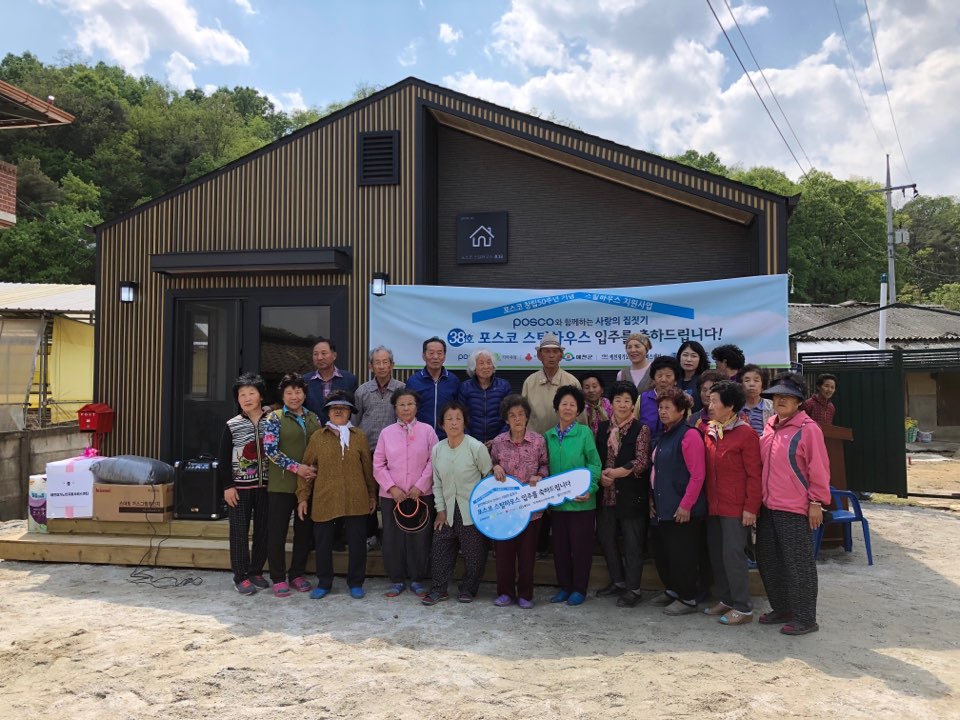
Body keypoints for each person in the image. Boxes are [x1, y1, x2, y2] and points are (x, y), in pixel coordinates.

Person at [756, 372, 831, 636]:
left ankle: (806, 618)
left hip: (795, 508)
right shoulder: (770, 425)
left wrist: (816, 502)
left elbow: (819, 468)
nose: (781, 400)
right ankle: (782, 608)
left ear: (799, 401)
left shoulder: (808, 429)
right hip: (768, 506)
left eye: (787, 396)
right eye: (777, 395)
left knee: (798, 564)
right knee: (768, 559)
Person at [297, 391, 377, 600]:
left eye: (343, 408)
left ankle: (356, 582)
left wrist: (371, 495)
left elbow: (367, 469)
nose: (339, 411)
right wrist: (303, 497)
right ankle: (324, 582)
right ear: (328, 412)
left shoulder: (359, 437)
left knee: (357, 542)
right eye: (334, 408)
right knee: (323, 542)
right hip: (325, 497)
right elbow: (307, 468)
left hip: (356, 497)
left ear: (350, 412)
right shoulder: (318, 437)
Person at [702, 381, 762, 626]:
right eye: (710, 400)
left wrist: (751, 508)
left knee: (733, 556)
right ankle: (726, 599)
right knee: (717, 555)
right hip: (713, 505)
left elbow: (755, 475)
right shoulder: (711, 430)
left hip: (736, 508)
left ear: (730, 406)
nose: (710, 405)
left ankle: (743, 607)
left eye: (715, 401)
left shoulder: (746, 434)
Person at [422, 402, 493, 606]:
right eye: (449, 419)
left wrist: (482, 509)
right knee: (440, 549)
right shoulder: (438, 449)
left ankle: (468, 589)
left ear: (465, 422)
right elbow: (437, 483)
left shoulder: (475, 447)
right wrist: (440, 510)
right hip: (447, 510)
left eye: (458, 418)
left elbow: (488, 478)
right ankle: (439, 589)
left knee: (474, 553)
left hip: (472, 510)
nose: (454, 423)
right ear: (442, 424)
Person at [373, 388, 438, 599]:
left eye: (410, 404)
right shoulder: (386, 433)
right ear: (395, 408)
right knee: (392, 537)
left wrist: (420, 486)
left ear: (416, 407)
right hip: (392, 496)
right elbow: (378, 464)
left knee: (420, 536)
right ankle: (397, 579)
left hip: (421, 494)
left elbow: (434, 460)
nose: (406, 408)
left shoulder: (428, 431)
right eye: (401, 404)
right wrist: (392, 487)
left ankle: (417, 579)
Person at [649, 387, 706, 616]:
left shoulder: (689, 435)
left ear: (681, 411)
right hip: (663, 505)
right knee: (666, 553)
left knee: (683, 555)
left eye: (668, 408)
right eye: (660, 407)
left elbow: (698, 475)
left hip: (682, 509)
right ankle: (673, 590)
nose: (662, 411)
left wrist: (686, 505)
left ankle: (688, 598)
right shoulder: (664, 434)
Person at [262, 373, 321, 597]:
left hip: (307, 486)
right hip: (282, 485)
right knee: (277, 532)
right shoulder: (274, 418)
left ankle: (297, 574)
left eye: (298, 392)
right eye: (289, 392)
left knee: (303, 533)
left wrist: (313, 469)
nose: (294, 396)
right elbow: (270, 451)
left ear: (304, 394)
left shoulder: (314, 418)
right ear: (283, 395)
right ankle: (278, 577)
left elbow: (321, 448)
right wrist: (298, 468)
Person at [594, 381, 651, 608]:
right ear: (611, 403)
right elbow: (595, 458)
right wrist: (600, 476)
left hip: (631, 495)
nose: (622, 404)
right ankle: (617, 581)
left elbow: (642, 461)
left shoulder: (641, 429)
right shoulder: (602, 428)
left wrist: (617, 473)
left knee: (632, 544)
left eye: (627, 400)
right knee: (607, 539)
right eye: (618, 400)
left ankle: (633, 589)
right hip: (605, 494)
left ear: (633, 404)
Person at [489, 394, 549, 609]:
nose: (517, 419)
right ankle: (505, 592)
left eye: (521, 414)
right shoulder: (498, 442)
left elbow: (545, 465)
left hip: (530, 509)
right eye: (512, 415)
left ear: (527, 417)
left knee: (527, 555)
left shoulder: (538, 441)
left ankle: (525, 594)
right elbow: (491, 465)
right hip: (504, 508)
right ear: (506, 419)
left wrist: (539, 476)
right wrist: (495, 467)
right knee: (504, 554)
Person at [546, 385, 602, 607]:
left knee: (581, 549)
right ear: (557, 407)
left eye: (572, 405)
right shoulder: (548, 436)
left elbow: (594, 464)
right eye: (564, 404)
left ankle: (579, 589)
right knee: (560, 549)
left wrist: (591, 488)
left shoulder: (584, 433)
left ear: (578, 410)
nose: (568, 408)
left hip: (582, 504)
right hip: (558, 504)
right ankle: (565, 587)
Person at [217, 373, 272, 595]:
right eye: (242, 395)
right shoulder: (232, 425)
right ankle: (240, 576)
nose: (247, 398)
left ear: (261, 396)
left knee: (263, 531)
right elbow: (223, 459)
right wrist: (227, 487)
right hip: (239, 488)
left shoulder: (273, 421)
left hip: (267, 486)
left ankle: (256, 571)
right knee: (239, 532)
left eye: (252, 393)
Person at [521, 333, 583, 436]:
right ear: (539, 355)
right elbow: (523, 414)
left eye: (555, 351)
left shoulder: (572, 382)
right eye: (546, 351)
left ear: (561, 355)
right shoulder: (529, 382)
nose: (551, 355)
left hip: (565, 441)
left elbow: (581, 418)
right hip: (535, 441)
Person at [406, 337, 461, 439]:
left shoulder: (453, 381)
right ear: (424, 356)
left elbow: (459, 410)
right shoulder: (413, 381)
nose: (435, 357)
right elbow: (407, 411)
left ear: (444, 357)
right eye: (431, 353)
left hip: (447, 438)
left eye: (439, 353)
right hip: (420, 437)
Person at [354, 346, 405, 449]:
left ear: (392, 365)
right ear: (371, 366)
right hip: (366, 448)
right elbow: (354, 421)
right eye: (377, 362)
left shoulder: (402, 389)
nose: (381, 366)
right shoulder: (362, 391)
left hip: (394, 449)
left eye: (385, 362)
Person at [457, 348, 512, 444]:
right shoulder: (465, 387)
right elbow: (460, 416)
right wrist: (471, 440)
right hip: (471, 442)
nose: (486, 366)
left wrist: (498, 440)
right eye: (481, 363)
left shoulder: (504, 386)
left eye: (489, 362)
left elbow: (510, 415)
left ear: (493, 366)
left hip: (500, 442)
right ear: (474, 368)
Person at [304, 338, 359, 422]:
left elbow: (354, 412)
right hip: (313, 429)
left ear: (334, 356)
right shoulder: (305, 380)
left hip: (341, 429)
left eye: (324, 353)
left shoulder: (350, 379)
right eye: (315, 354)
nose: (319, 357)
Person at [635, 355, 682, 442]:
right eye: (659, 375)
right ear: (653, 379)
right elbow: (634, 424)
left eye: (668, 376)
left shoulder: (682, 399)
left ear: (675, 380)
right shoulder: (642, 398)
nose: (663, 380)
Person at [740, 364, 774, 436]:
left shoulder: (772, 407)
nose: (751, 384)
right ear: (741, 385)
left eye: (756, 380)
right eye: (747, 380)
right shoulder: (735, 407)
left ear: (763, 384)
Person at [676, 340, 710, 411]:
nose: (688, 359)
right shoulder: (673, 379)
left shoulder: (706, 380)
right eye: (685, 355)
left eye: (694, 356)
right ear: (679, 357)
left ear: (700, 359)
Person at [581, 371, 612, 436]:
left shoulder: (609, 404)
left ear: (602, 389)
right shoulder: (580, 407)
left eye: (594, 386)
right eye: (587, 387)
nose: (591, 390)